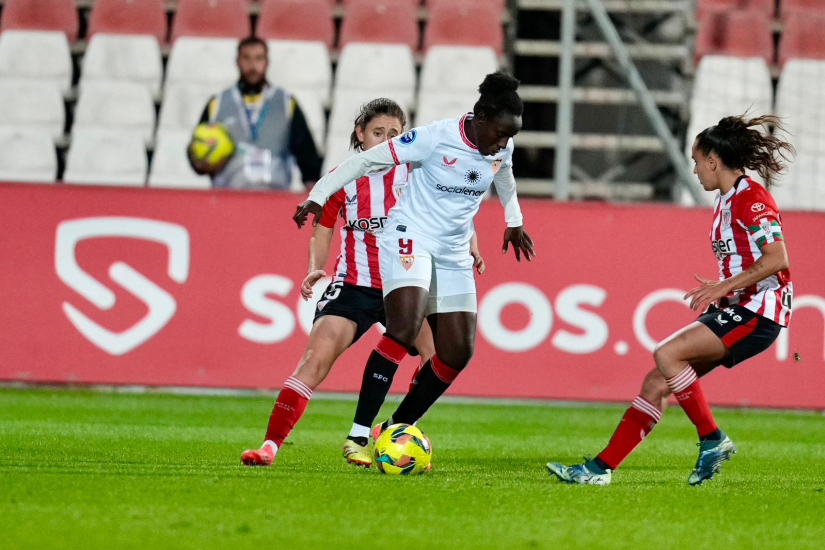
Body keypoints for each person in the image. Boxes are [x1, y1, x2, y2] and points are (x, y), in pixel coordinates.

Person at [547, 114, 795, 486]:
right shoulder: (725, 201)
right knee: (656, 383)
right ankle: (599, 471)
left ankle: (712, 438)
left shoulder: (752, 199)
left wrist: (724, 287)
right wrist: (726, 289)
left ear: (713, 160)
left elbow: (778, 259)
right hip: (739, 306)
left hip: (759, 311)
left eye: (697, 161)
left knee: (666, 354)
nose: (694, 170)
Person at [239, 98, 485, 467]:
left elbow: (456, 213)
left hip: (405, 285)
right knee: (313, 360)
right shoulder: (346, 177)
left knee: (438, 358)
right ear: (361, 135)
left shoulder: (419, 172)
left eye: (394, 134)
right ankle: (270, 446)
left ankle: (394, 428)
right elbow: (323, 231)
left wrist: (472, 248)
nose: (386, 140)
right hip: (355, 284)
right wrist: (314, 267)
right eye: (378, 133)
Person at [293, 72, 535, 444]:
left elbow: (505, 173)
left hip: (453, 250)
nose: (504, 142)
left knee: (457, 353)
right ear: (480, 119)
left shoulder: (501, 146)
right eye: (500, 133)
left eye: (511, 136)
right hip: (410, 237)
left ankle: (394, 427)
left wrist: (513, 220)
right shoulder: (434, 138)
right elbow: (367, 161)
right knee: (404, 327)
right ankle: (357, 436)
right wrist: (320, 193)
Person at [189, 36, 322, 190]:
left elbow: (306, 151)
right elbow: (197, 149)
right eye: (247, 58)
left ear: (267, 62)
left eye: (259, 58)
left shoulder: (286, 103)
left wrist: (313, 188)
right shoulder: (217, 103)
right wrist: (201, 163)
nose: (253, 66)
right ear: (237, 61)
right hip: (227, 196)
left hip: (274, 196)